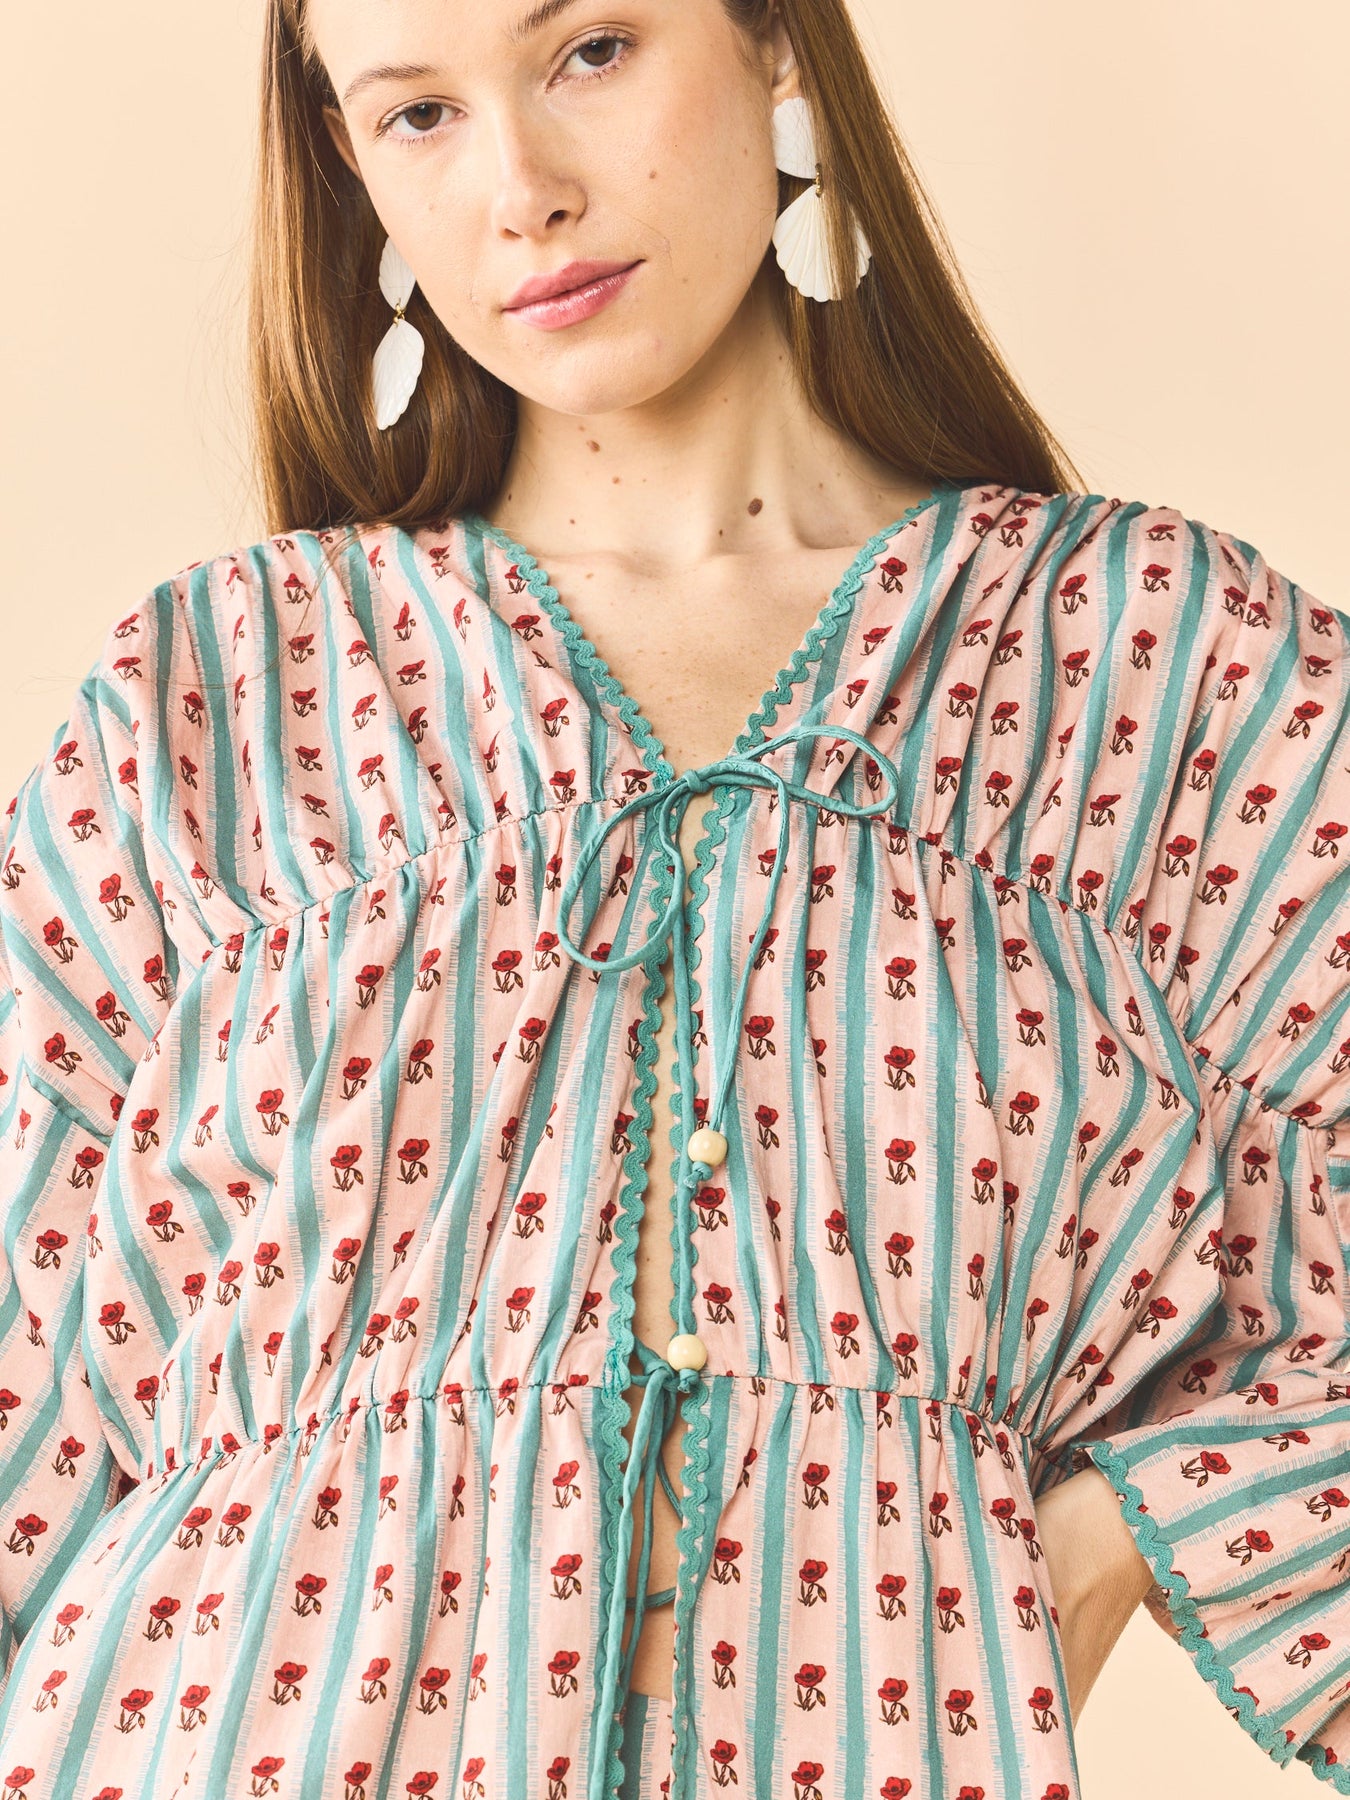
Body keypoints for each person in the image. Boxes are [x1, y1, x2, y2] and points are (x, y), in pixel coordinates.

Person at [0, 0, 1346, 1795]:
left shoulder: (1161, 670)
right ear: (349, 166)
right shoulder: (227, 689)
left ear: (775, 41)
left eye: (591, 51)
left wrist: (1132, 1526)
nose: (521, 190)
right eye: (416, 116)